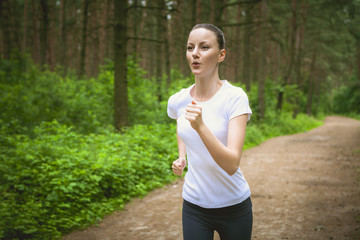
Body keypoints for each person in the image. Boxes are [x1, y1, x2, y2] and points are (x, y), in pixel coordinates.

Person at [167, 23, 253, 240]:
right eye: (190, 47)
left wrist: (201, 127)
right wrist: (182, 155)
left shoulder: (235, 98)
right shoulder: (178, 100)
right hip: (194, 206)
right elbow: (181, 125)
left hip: (234, 206)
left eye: (204, 47)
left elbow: (232, 164)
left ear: (221, 55)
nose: (195, 53)